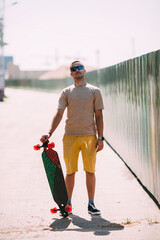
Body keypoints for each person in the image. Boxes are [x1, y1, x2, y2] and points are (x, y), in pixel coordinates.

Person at [40, 61, 104, 215]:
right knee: (70, 172)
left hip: (89, 136)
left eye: (79, 68)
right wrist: (49, 132)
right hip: (70, 137)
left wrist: (100, 137)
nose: (77, 71)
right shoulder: (66, 92)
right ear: (71, 74)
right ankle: (66, 204)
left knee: (90, 170)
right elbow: (59, 113)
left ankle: (91, 203)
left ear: (85, 70)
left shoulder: (95, 91)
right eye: (73, 69)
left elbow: (99, 115)